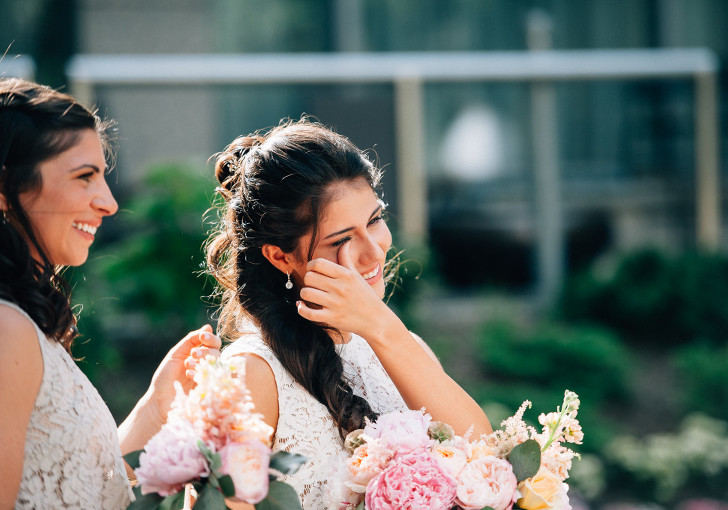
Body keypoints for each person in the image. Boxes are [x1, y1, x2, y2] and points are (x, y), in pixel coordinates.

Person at [209, 119, 492, 509]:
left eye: (374, 220)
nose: (375, 251)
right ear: (280, 256)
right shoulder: (252, 374)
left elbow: (485, 461)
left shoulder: (399, 345)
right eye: (342, 240)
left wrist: (382, 328)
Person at [0, 77, 220, 509]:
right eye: (85, 177)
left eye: (103, 176)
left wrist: (157, 406)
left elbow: (77, 487)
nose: (109, 202)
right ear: (7, 189)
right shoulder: (8, 331)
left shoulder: (24, 324)